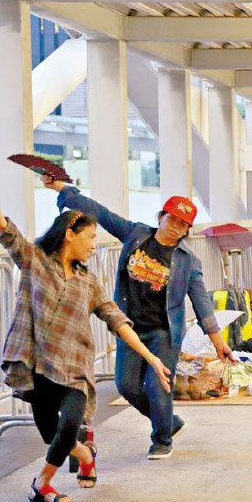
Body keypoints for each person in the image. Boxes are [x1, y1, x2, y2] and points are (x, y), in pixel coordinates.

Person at [0, 144, 169, 502]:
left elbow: (118, 322)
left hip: (74, 368)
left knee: (70, 422)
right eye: (91, 238)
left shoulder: (89, 283)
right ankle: (85, 455)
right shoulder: (34, 261)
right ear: (71, 233)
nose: (94, 246)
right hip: (38, 365)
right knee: (51, 436)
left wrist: (151, 358)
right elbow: (3, 227)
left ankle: (42, 484)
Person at [45, 173, 231, 460]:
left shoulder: (188, 262)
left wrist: (218, 341)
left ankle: (162, 438)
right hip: (130, 328)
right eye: (172, 219)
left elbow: (201, 302)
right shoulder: (135, 234)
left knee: (158, 385)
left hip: (164, 332)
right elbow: (100, 213)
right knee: (127, 386)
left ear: (187, 230)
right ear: (161, 217)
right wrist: (62, 189)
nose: (175, 227)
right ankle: (168, 421)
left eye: (183, 224)